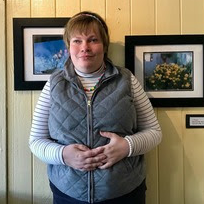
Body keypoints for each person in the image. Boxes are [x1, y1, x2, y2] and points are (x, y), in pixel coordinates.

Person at [29, 11, 162, 204]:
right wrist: (64, 155)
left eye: (93, 40)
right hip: (68, 193)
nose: (85, 47)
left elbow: (154, 132)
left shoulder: (127, 80)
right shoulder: (54, 84)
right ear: (68, 46)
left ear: (104, 46)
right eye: (77, 41)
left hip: (124, 191)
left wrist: (127, 147)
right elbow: (36, 141)